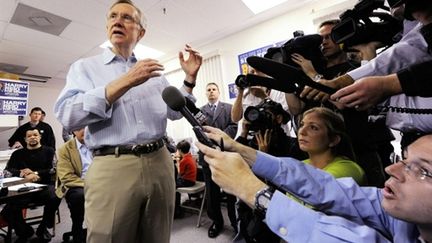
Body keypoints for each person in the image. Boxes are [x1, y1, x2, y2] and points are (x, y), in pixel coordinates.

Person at [54, 0, 202, 242]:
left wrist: (189, 80)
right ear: (107, 27)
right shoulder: (85, 68)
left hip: (160, 163)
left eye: (127, 17)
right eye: (113, 16)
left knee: (157, 237)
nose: (117, 21)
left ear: (140, 32)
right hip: (113, 166)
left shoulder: (153, 73)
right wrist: (124, 82)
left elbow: (175, 112)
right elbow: (68, 115)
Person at [196, 128, 432, 243]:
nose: (392, 170)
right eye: (403, 160)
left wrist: (251, 191)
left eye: (422, 170)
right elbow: (328, 190)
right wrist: (243, 151)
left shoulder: (347, 167)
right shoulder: (401, 217)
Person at [2, 129, 61, 243]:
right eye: (29, 136)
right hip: (22, 188)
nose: (32, 137)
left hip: (44, 187)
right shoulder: (17, 154)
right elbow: (7, 171)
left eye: (35, 135)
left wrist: (36, 174)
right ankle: (24, 231)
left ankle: (43, 227)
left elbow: (54, 169)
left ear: (39, 137)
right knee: (8, 210)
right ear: (25, 139)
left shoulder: (49, 151)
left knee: (55, 196)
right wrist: (22, 173)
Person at [199, 82, 238, 238]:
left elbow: (233, 127)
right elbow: (198, 131)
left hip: (226, 153)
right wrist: (210, 142)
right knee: (212, 193)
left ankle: (235, 222)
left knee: (231, 192)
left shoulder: (229, 108)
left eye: (214, 89)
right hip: (207, 155)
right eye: (208, 90)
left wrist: (218, 138)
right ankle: (217, 222)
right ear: (205, 93)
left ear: (219, 92)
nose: (211, 92)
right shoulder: (200, 111)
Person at [298, 107, 365, 184]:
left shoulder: (347, 169)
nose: (302, 132)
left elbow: (317, 188)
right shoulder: (300, 164)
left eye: (313, 127)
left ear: (333, 140)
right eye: (302, 125)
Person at [56, 127, 92, 243]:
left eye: (87, 126)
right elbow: (67, 177)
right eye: (80, 127)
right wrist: (90, 185)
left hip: (99, 182)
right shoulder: (65, 149)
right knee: (79, 196)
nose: (85, 130)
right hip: (76, 184)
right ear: (73, 131)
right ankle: (77, 230)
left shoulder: (99, 145)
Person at [173, 140, 197, 218]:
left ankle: (176, 210)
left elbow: (180, 173)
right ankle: (177, 207)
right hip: (192, 180)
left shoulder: (184, 160)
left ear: (179, 150)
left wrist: (177, 163)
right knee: (175, 183)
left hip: (187, 181)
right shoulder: (190, 157)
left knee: (172, 185)